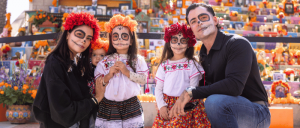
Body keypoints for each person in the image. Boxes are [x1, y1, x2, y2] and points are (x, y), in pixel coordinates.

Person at [169, 3, 271, 128]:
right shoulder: (203, 52)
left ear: (215, 20)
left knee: (214, 102)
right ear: (191, 29)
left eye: (204, 17)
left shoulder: (237, 43)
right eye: (194, 21)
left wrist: (191, 92)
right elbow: (204, 87)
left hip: (256, 111)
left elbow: (234, 86)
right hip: (224, 109)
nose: (199, 22)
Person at [33, 12, 106, 128]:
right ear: (67, 34)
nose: (83, 41)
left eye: (88, 38)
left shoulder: (76, 63)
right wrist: (97, 99)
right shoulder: (55, 63)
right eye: (79, 34)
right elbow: (63, 111)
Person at [152, 23, 211, 127]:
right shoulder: (164, 65)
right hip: (167, 106)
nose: (178, 44)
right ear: (169, 42)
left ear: (189, 43)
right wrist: (161, 106)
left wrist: (182, 103)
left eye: (183, 41)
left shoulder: (192, 64)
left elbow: (193, 88)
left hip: (187, 105)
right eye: (175, 40)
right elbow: (158, 88)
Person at [94, 15, 148, 128]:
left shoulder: (137, 60)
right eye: (115, 36)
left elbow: (143, 80)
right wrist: (109, 75)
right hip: (109, 106)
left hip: (132, 105)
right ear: (111, 39)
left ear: (131, 40)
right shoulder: (105, 61)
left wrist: (126, 72)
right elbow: (98, 82)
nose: (119, 39)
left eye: (124, 36)